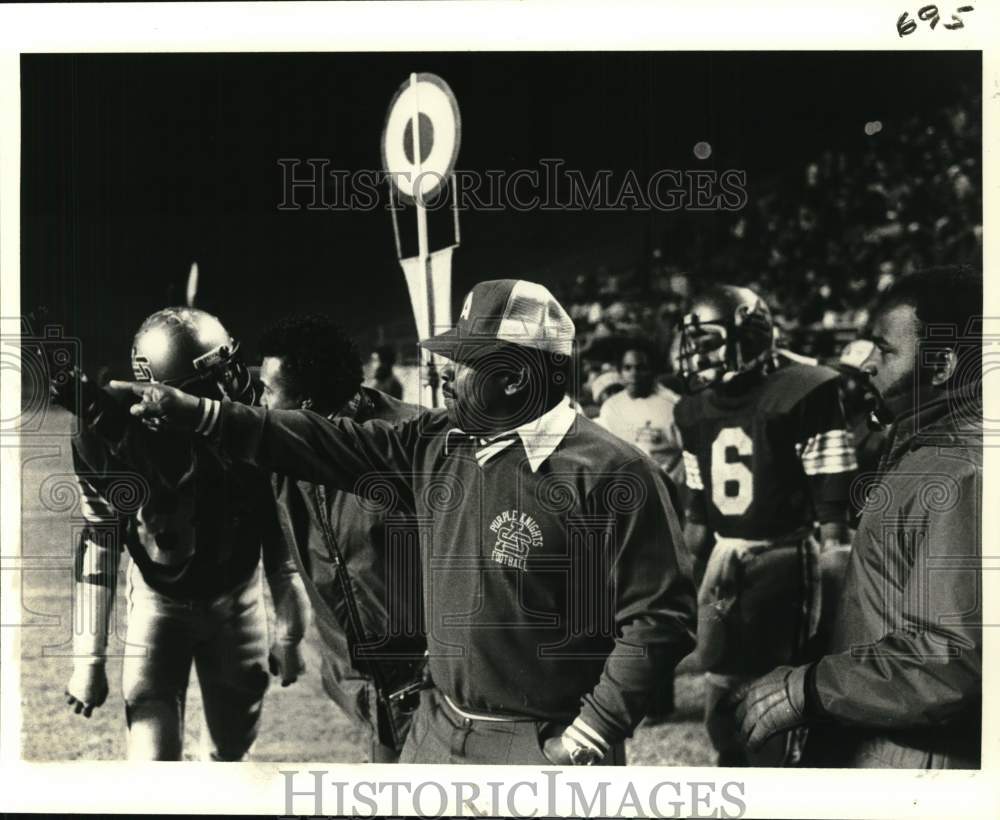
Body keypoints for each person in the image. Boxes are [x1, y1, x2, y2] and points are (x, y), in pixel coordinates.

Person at [112, 278, 698, 766]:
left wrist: (588, 735)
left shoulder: (612, 472)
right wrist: (202, 413)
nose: (444, 376)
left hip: (540, 739)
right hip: (436, 728)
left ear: (516, 379)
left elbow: (658, 618)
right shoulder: (439, 442)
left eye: (464, 362)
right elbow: (317, 438)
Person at [732, 266, 983, 769]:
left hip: (922, 757)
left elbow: (953, 662)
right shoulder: (930, 445)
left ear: (941, 364)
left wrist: (810, 688)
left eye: (885, 350)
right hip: (896, 734)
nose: (867, 364)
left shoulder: (958, 471)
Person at [58, 307, 309, 760]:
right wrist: (88, 660)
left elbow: (281, 541)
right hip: (160, 602)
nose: (232, 386)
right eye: (213, 379)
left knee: (230, 755)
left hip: (237, 600)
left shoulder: (252, 424)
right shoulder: (106, 433)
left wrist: (289, 632)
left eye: (228, 370)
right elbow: (100, 543)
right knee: (152, 760)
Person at [673, 285, 856, 766]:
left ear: (749, 337)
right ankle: (734, 770)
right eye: (694, 343)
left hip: (786, 559)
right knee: (719, 680)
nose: (697, 355)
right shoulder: (692, 409)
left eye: (708, 341)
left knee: (777, 692)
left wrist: (837, 612)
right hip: (723, 559)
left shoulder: (806, 389)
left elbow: (835, 525)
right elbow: (696, 523)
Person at [257, 314, 426, 763]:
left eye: (268, 390)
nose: (259, 402)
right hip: (361, 686)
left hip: (429, 685)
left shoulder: (412, 445)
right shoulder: (281, 453)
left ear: (306, 404)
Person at [596, 347, 685, 488]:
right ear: (620, 373)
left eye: (641, 368)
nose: (634, 374)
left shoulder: (674, 405)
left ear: (653, 371)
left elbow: (688, 454)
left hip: (668, 488)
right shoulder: (610, 408)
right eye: (627, 368)